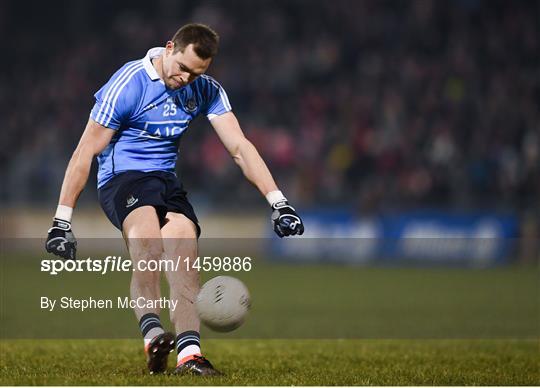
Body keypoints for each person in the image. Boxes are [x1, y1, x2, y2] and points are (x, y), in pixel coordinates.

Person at [45, 23, 304, 376]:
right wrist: (62, 221)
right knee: (148, 250)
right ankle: (153, 335)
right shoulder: (129, 83)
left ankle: (189, 355)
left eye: (196, 73)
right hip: (123, 180)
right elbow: (84, 152)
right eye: (183, 68)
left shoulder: (206, 89)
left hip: (166, 182)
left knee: (185, 255)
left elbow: (240, 148)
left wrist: (279, 201)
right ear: (169, 48)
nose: (186, 78)